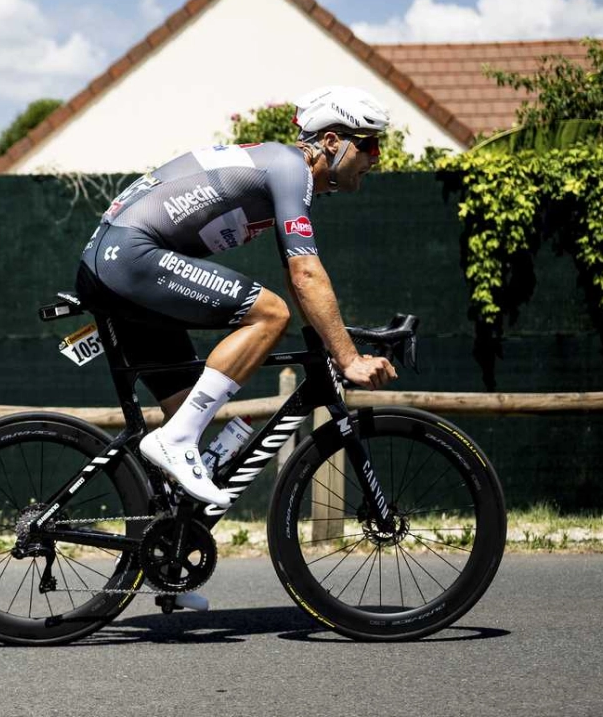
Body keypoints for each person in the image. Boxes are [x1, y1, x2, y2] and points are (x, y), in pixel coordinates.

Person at [77, 85, 399, 515]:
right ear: (331, 141)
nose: (376, 157)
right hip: (128, 259)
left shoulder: (281, 170)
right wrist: (348, 358)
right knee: (269, 315)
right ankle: (174, 442)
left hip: (120, 262)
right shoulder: (290, 168)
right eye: (369, 144)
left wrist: (334, 338)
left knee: (188, 407)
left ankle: (168, 562)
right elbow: (305, 274)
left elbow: (295, 272)